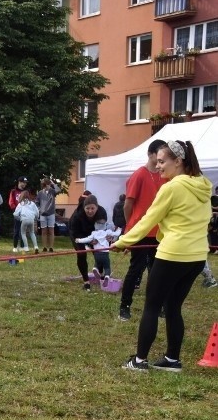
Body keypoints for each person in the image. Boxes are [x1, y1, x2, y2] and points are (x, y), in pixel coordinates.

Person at [115, 140, 212, 372]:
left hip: (173, 254)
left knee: (152, 305)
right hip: (197, 256)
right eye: (156, 161)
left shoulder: (171, 188)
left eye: (162, 161)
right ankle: (172, 360)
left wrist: (123, 241)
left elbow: (149, 219)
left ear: (178, 162)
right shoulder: (203, 185)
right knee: (173, 306)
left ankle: (138, 361)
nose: (157, 166)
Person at [118, 139, 168, 321]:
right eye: (159, 154)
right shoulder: (139, 174)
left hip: (159, 232)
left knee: (157, 271)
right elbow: (128, 205)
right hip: (141, 232)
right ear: (151, 154)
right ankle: (124, 306)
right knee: (136, 269)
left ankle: (159, 306)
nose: (162, 158)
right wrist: (132, 228)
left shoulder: (165, 177)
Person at [69, 193, 108, 291]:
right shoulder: (77, 215)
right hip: (78, 234)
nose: (90, 211)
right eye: (87, 208)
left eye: (92, 208)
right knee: (81, 254)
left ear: (97, 207)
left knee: (100, 252)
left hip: (93, 232)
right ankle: (86, 281)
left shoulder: (102, 213)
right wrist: (88, 241)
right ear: (84, 207)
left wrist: (98, 239)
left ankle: (100, 273)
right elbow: (75, 233)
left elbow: (102, 231)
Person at [75, 218, 121, 284]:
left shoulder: (94, 233)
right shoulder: (107, 232)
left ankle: (95, 268)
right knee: (107, 267)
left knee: (98, 262)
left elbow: (87, 239)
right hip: (105, 253)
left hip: (96, 253)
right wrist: (119, 229)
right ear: (105, 226)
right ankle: (107, 276)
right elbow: (116, 234)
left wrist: (79, 240)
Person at [36, 178, 60, 252]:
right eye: (45, 185)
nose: (46, 186)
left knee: (51, 231)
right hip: (43, 214)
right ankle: (44, 247)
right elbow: (37, 202)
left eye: (47, 185)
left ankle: (51, 247)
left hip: (51, 213)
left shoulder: (52, 191)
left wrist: (53, 184)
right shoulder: (40, 193)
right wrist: (40, 209)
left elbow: (58, 190)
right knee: (44, 231)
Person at [8, 176, 29, 252]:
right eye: (23, 182)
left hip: (24, 214)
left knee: (23, 230)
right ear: (19, 182)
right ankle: (15, 246)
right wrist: (16, 211)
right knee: (16, 230)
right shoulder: (13, 191)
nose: (25, 184)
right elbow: (11, 202)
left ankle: (23, 246)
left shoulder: (26, 192)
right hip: (17, 213)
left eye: (25, 183)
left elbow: (28, 202)